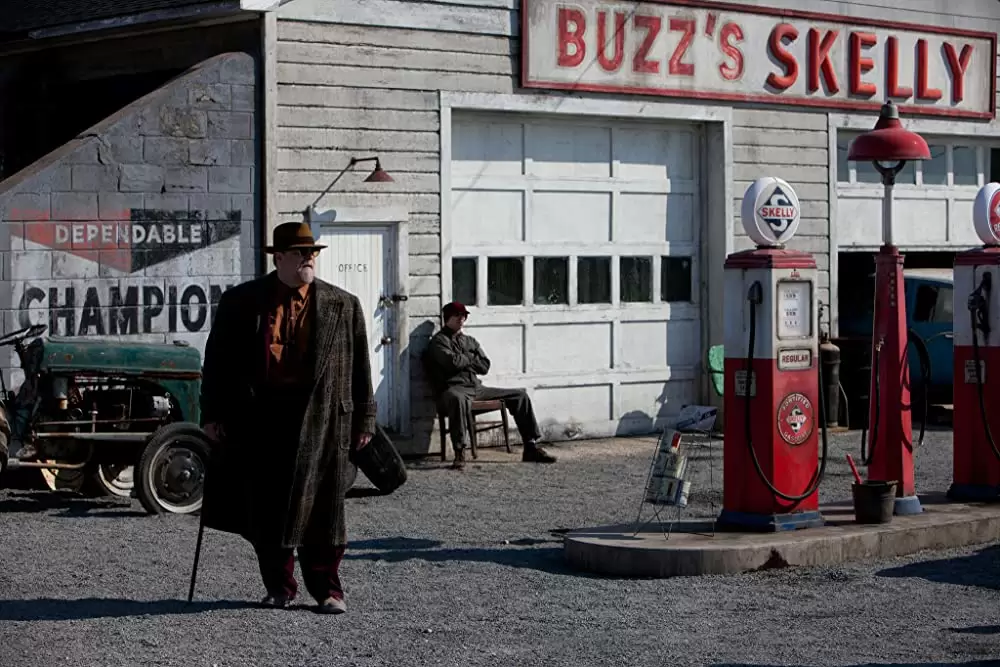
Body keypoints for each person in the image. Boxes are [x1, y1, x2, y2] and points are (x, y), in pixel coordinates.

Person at [198, 221, 377, 615]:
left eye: (312, 252)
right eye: (300, 253)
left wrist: (365, 420)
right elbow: (217, 363)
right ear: (278, 258)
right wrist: (211, 413)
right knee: (268, 510)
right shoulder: (242, 302)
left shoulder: (342, 304)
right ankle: (279, 587)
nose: (309, 258)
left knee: (325, 511)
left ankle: (329, 590)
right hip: (262, 419)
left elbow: (361, 368)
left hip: (325, 421)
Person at [424, 301, 556, 469]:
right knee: (457, 399)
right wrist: (471, 358)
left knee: (519, 396)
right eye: (457, 316)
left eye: (464, 316)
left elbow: (485, 365)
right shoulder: (438, 342)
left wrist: (465, 358)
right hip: (453, 389)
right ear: (447, 318)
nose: (461, 319)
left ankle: (530, 446)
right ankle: (459, 452)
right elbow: (452, 363)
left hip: (476, 388)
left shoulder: (469, 340)